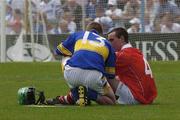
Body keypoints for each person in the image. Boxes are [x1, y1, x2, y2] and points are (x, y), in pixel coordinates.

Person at [46, 22, 116, 106]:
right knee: (112, 101)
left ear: (86, 30)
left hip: (71, 75)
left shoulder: (79, 34)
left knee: (65, 54)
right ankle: (90, 94)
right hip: (94, 77)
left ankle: (76, 94)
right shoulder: (107, 43)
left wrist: (77, 52)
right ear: (101, 34)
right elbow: (110, 75)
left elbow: (59, 51)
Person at [107, 27, 157, 104]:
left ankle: (99, 98)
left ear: (122, 39)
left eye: (112, 40)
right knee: (116, 76)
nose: (109, 43)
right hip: (148, 97)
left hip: (137, 98)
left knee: (104, 74)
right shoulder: (135, 51)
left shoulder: (123, 55)